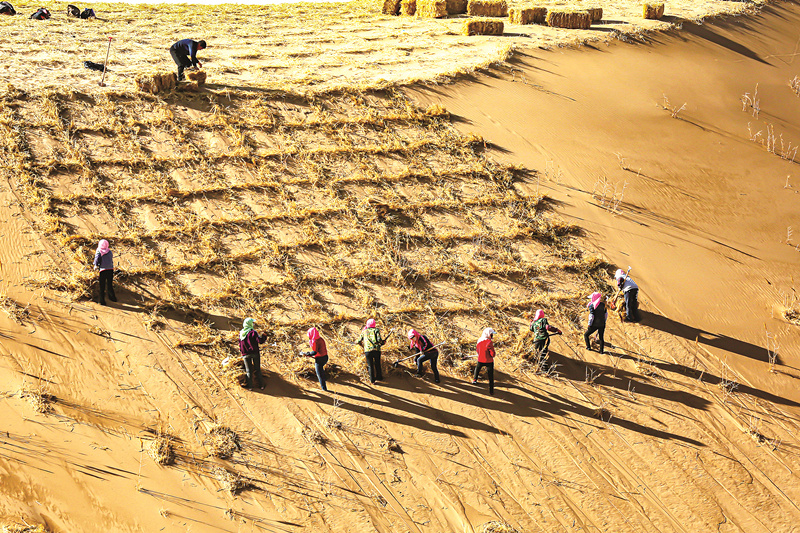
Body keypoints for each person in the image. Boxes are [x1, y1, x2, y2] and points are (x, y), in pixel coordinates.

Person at [239, 318, 266, 390]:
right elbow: (260, 341)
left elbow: (240, 344)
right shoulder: (253, 332)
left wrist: (242, 353)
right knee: (257, 369)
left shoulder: (241, 333)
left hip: (245, 354)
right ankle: (261, 385)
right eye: (252, 323)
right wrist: (264, 336)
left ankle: (250, 386)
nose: (253, 324)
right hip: (254, 353)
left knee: (248, 371)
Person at [357, 319, 386, 384]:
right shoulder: (376, 330)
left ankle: (372, 380)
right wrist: (383, 342)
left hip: (367, 351)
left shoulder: (364, 331)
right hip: (376, 350)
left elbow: (358, 341)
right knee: (377, 364)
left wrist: (362, 346)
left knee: (370, 365)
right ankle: (379, 377)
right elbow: (379, 340)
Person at [300, 327, 329, 392]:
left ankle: (324, 389)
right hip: (325, 357)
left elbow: (314, 352)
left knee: (319, 374)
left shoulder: (315, 341)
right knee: (321, 371)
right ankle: (325, 379)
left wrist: (307, 354)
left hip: (320, 359)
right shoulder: (320, 339)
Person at [473, 328, 496, 395]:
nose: (492, 336)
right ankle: (491, 390)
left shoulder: (479, 340)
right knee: (490, 376)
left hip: (480, 359)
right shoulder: (489, 342)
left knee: (477, 368)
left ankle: (475, 379)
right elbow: (492, 354)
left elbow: (477, 350)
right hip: (489, 361)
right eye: (491, 334)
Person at [92, 239, 116, 305]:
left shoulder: (99, 251)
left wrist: (95, 265)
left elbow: (97, 259)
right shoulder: (110, 252)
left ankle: (102, 301)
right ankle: (113, 298)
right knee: (109, 285)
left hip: (103, 270)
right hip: (110, 270)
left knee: (102, 286)